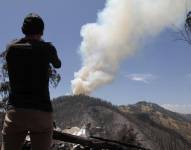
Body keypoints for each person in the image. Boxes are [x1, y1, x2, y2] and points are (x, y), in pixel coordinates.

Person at [1, 13, 61, 150]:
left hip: (16, 110)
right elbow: (58, 64)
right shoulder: (48, 48)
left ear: (23, 29)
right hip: (42, 111)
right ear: (42, 31)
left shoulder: (12, 48)